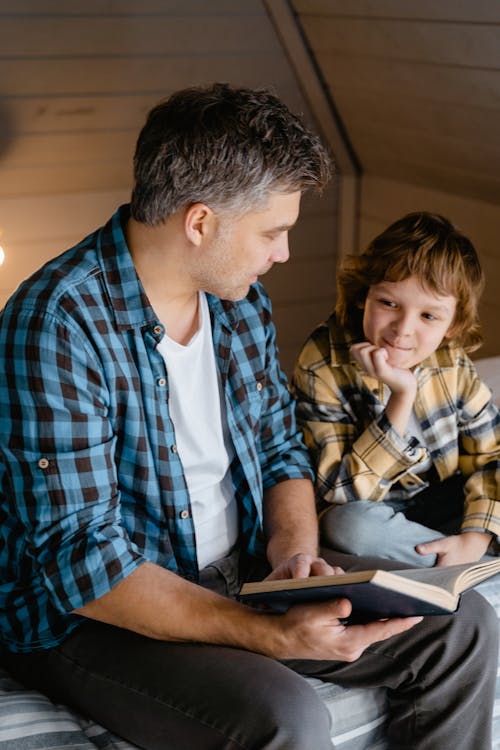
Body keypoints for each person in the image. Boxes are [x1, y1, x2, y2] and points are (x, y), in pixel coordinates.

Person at [0, 87, 497, 750]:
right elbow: (82, 562)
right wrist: (270, 634)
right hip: (92, 615)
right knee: (284, 716)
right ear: (200, 222)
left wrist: (295, 554)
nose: (284, 253)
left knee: (463, 630)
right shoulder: (55, 324)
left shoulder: (239, 303)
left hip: (241, 569)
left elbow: (281, 450)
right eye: (273, 231)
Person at [294, 211, 500, 570]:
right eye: (389, 303)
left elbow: (489, 457)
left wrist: (477, 536)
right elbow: (340, 490)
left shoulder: (451, 362)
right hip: (375, 509)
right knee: (347, 528)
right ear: (363, 296)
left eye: (428, 316)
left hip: (444, 498)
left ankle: (467, 554)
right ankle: (472, 567)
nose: (403, 329)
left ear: (452, 325)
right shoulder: (321, 362)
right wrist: (401, 398)